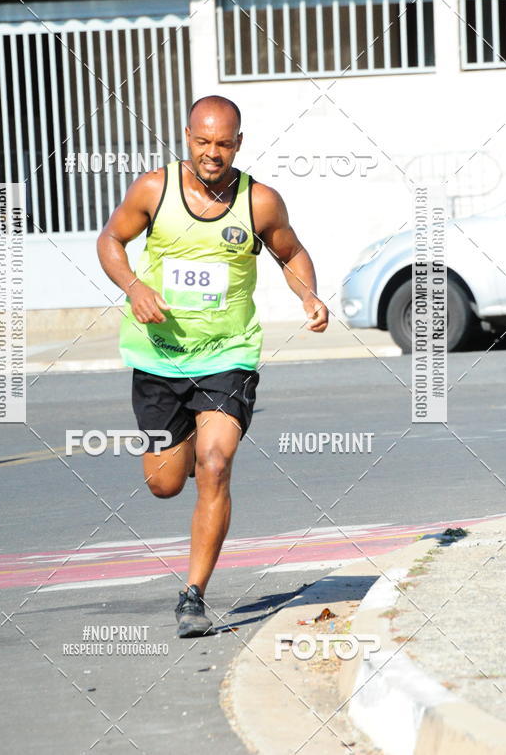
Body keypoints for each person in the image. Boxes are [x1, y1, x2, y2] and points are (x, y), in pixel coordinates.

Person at [97, 95, 328, 637]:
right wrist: (134, 286)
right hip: (159, 355)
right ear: (187, 138)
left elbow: (290, 253)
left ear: (239, 143)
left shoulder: (260, 201)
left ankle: (193, 595)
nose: (212, 153)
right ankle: (191, 453)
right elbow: (111, 239)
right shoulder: (155, 189)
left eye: (224, 143)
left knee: (217, 465)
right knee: (164, 483)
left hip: (228, 355)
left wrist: (309, 296)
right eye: (203, 142)